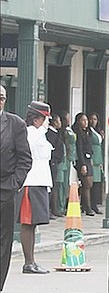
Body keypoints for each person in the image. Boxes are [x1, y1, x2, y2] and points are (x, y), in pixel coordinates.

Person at [0, 86, 32, 291]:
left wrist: (14, 184)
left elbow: (25, 159)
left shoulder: (15, 124)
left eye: (1, 97)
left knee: (3, 239)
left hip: (4, 189)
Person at [16, 101, 54, 275]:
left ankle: (31, 261)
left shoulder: (40, 133)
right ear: (37, 119)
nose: (48, 121)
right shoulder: (31, 133)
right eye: (46, 118)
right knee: (27, 222)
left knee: (33, 224)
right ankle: (28, 262)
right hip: (31, 181)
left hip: (40, 181)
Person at [72, 113, 95, 216]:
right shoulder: (78, 133)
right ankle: (88, 207)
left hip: (89, 159)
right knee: (86, 184)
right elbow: (79, 149)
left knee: (90, 184)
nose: (85, 122)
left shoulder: (88, 132)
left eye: (86, 120)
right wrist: (83, 164)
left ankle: (83, 205)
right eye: (83, 120)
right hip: (82, 161)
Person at [46, 112, 65, 218]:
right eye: (58, 121)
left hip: (57, 162)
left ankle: (55, 208)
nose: (60, 123)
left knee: (55, 186)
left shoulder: (57, 133)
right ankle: (49, 209)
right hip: (52, 163)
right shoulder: (50, 134)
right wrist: (54, 160)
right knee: (51, 186)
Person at [87, 112, 104, 214]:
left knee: (97, 183)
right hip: (92, 158)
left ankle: (95, 204)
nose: (93, 121)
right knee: (91, 183)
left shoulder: (97, 131)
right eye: (92, 119)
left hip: (98, 159)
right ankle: (90, 205)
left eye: (95, 119)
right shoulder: (89, 131)